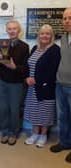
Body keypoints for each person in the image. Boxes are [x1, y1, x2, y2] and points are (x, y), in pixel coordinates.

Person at [23, 24, 61, 148]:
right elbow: (28, 66)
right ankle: (35, 134)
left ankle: (43, 135)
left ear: (51, 36)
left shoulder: (55, 50)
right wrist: (27, 78)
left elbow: (52, 71)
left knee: (45, 112)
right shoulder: (34, 48)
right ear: (39, 35)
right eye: (42, 33)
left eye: (47, 33)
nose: (44, 36)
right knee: (34, 111)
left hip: (45, 87)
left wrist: (36, 80)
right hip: (31, 88)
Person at [0, 20, 29, 145]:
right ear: (6, 30)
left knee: (14, 109)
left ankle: (13, 132)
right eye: (9, 28)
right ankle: (4, 131)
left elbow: (25, 68)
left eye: (14, 28)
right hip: (2, 81)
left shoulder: (24, 46)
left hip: (16, 84)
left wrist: (14, 67)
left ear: (19, 30)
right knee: (3, 108)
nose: (12, 31)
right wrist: (0, 61)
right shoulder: (3, 44)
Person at [50, 8, 71, 163]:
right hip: (60, 84)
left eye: (70, 18)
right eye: (65, 19)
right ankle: (64, 142)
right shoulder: (63, 38)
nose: (67, 21)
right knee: (62, 117)